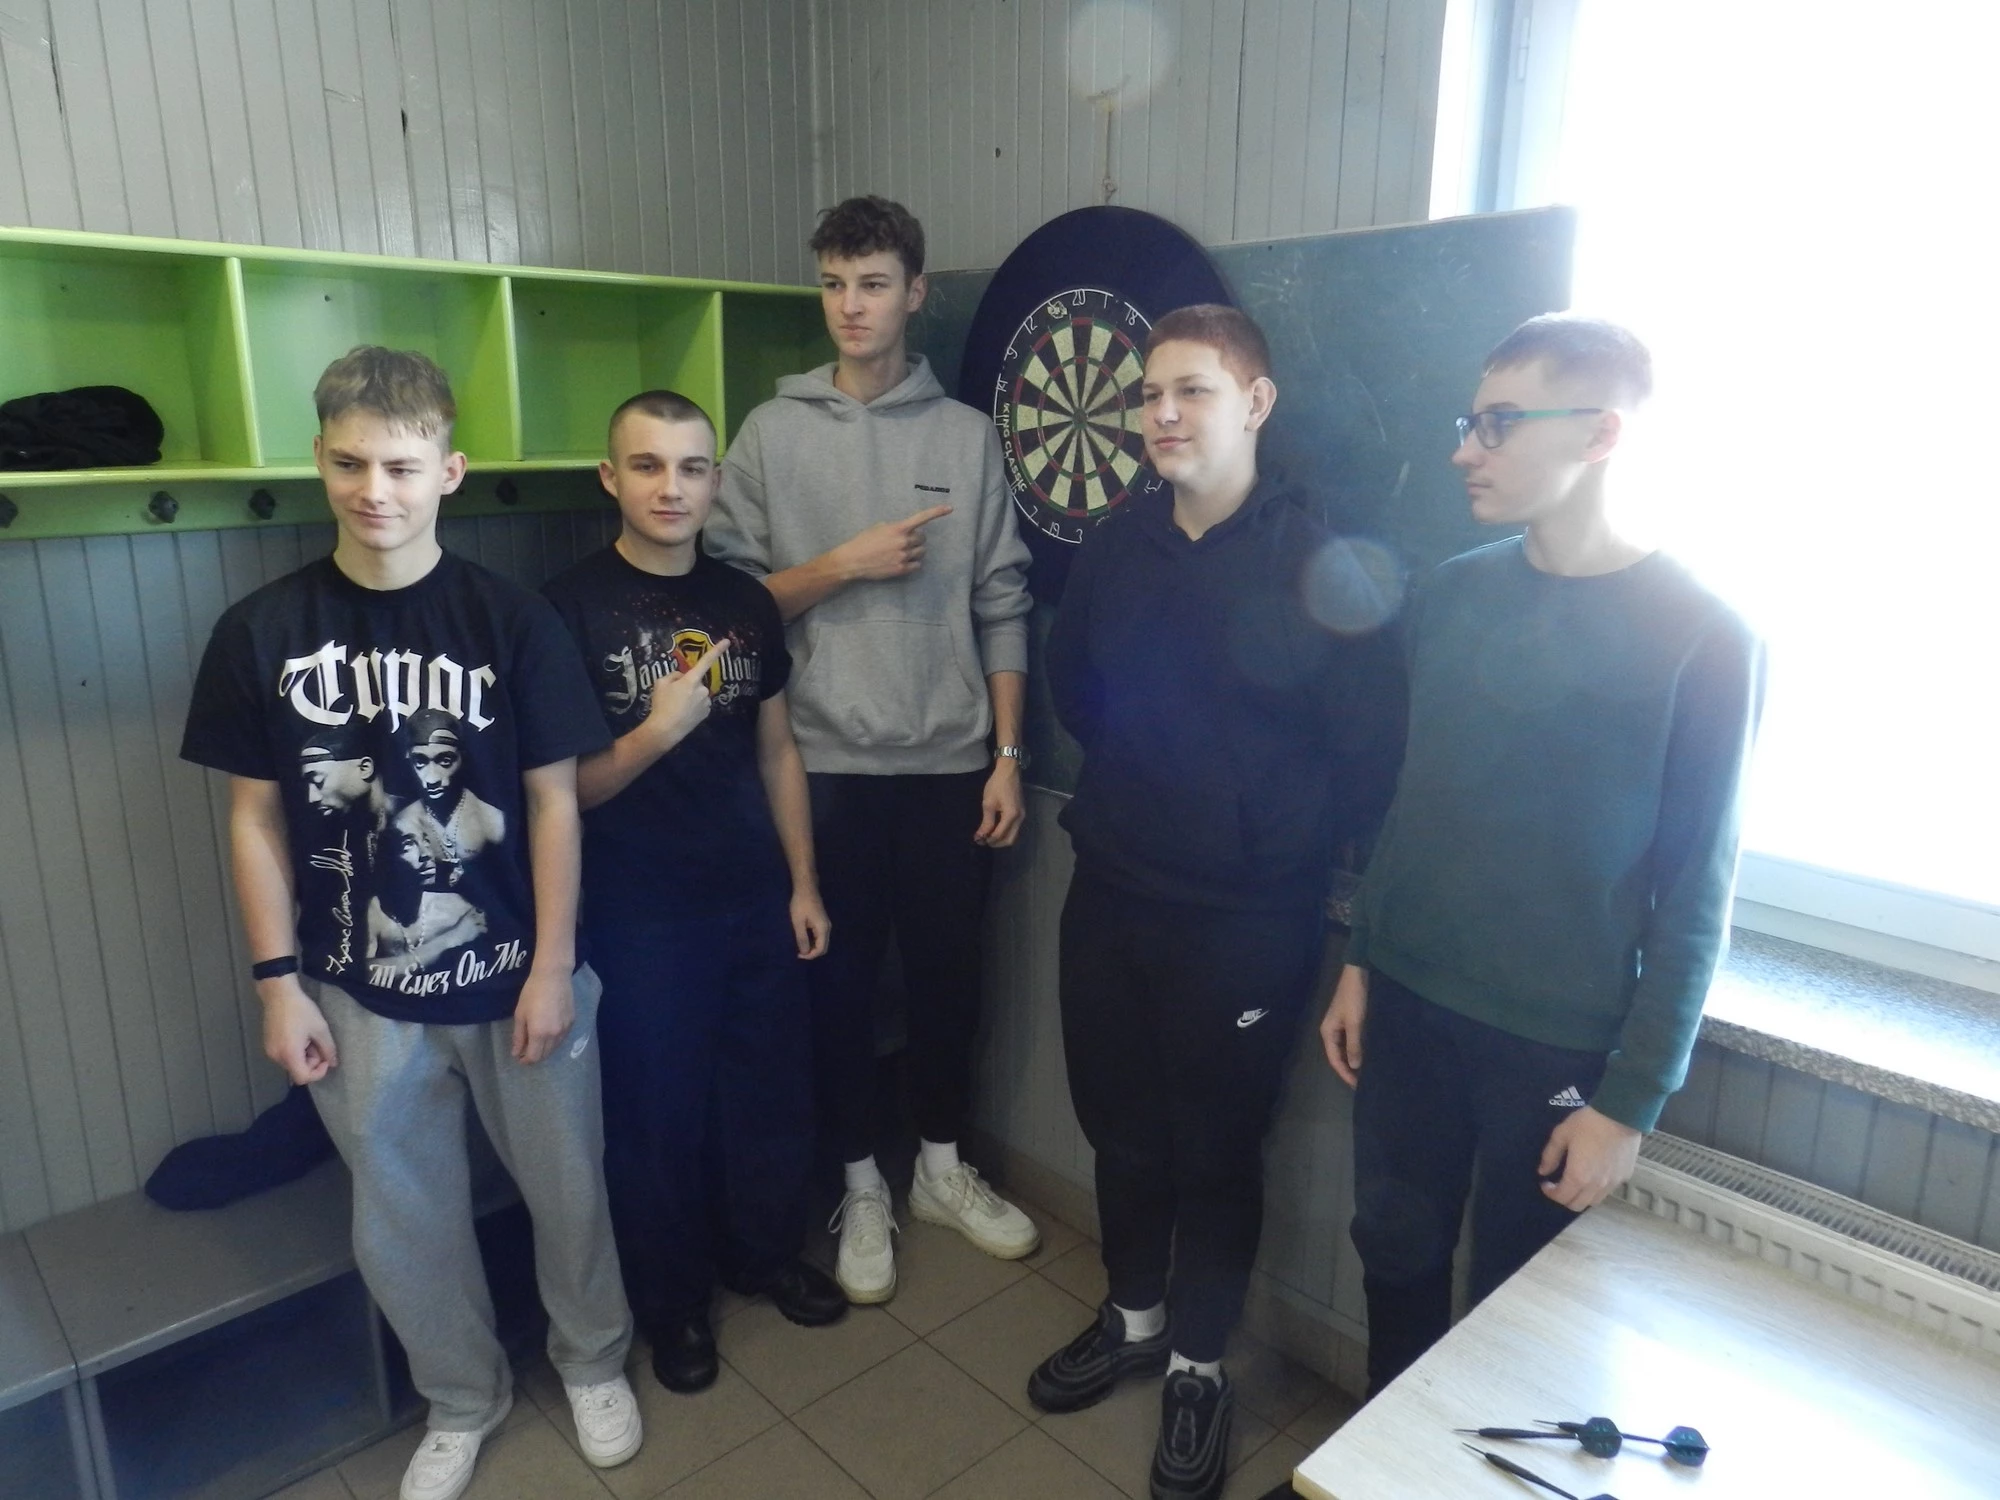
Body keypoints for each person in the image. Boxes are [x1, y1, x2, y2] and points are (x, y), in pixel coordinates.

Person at [180, 347, 641, 1500]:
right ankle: (461, 1399)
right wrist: (276, 983)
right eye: (348, 463)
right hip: (355, 986)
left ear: (449, 470)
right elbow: (253, 819)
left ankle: (592, 1360)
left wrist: (552, 966)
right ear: (319, 461)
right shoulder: (260, 630)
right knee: (401, 1221)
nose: (372, 490)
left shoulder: (510, 620)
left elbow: (552, 803)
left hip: (517, 971)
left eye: (398, 465)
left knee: (569, 1191)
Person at [1320, 314, 1764, 1396]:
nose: (1464, 450)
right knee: (1393, 1256)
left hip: (1552, 1044)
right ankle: (1372, 1468)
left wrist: (1628, 1103)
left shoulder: (1705, 637)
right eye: (1470, 421)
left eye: (1499, 423)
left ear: (1600, 433)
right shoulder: (1452, 594)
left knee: (1513, 1314)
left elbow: (1696, 890)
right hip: (1410, 1006)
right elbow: (1413, 800)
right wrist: (1362, 957)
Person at [1030, 305, 1403, 1500]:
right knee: (1120, 1128)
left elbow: (1367, 761)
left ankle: (1197, 1367)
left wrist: (1249, 824)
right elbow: (1076, 691)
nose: (1161, 414)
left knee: (1214, 1146)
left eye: (1190, 390)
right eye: (1148, 394)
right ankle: (1133, 1320)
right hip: (1111, 890)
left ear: (1254, 403)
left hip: (1245, 920)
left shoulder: (1320, 567)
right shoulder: (1114, 546)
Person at [708, 194, 1040, 1303]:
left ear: (915, 294)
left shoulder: (966, 437)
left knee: (950, 982)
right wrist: (841, 565)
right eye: (833, 284)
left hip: (951, 769)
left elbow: (1002, 603)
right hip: (819, 770)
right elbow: (731, 605)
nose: (849, 306)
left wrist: (1007, 756)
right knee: (838, 991)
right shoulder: (770, 433)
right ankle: (860, 1185)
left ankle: (940, 1168)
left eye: (872, 284)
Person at [542, 390, 846, 1399]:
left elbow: (777, 750)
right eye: (646, 465)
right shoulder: (566, 609)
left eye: (690, 467)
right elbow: (563, 792)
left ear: (715, 481)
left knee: (767, 1094)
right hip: (638, 915)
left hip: (753, 897)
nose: (669, 488)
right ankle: (671, 1304)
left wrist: (801, 882)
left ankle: (764, 1256)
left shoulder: (746, 603)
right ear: (610, 477)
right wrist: (656, 733)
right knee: (655, 1119)